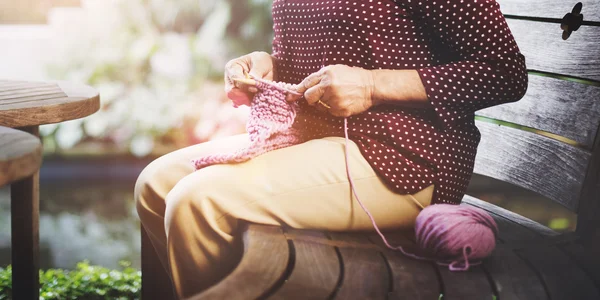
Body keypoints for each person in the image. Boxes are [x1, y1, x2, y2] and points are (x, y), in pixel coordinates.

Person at [135, 0, 528, 298]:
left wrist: (374, 86)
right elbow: (308, 58)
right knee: (157, 183)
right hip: (309, 137)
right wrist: (266, 66)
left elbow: (505, 72)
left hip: (402, 155)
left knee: (198, 200)